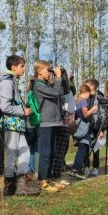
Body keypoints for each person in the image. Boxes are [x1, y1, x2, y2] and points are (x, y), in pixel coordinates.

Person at [0, 55, 40, 196]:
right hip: (11, 123)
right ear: (13, 67)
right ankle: (9, 187)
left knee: (24, 152)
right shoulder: (7, 83)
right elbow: (5, 107)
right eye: (22, 66)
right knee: (12, 153)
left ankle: (20, 186)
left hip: (17, 123)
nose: (24, 68)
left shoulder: (12, 81)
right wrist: (23, 111)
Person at [32, 60, 67, 192]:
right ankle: (42, 180)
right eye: (48, 70)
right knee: (45, 152)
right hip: (47, 122)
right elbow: (55, 93)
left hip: (56, 120)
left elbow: (63, 91)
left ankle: (50, 178)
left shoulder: (49, 84)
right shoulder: (38, 85)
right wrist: (57, 77)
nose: (50, 72)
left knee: (53, 151)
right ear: (40, 71)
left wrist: (63, 77)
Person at [69, 84, 98, 179]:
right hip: (83, 128)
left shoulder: (76, 101)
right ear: (85, 92)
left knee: (82, 147)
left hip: (77, 127)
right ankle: (76, 168)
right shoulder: (84, 102)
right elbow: (85, 115)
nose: (89, 96)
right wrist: (93, 109)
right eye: (89, 94)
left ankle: (78, 168)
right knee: (83, 147)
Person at [84, 78, 105, 177]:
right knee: (86, 147)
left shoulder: (100, 97)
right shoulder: (85, 96)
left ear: (93, 87)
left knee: (96, 147)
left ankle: (95, 167)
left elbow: (104, 114)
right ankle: (86, 166)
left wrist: (102, 129)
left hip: (97, 126)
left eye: (87, 85)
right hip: (86, 126)